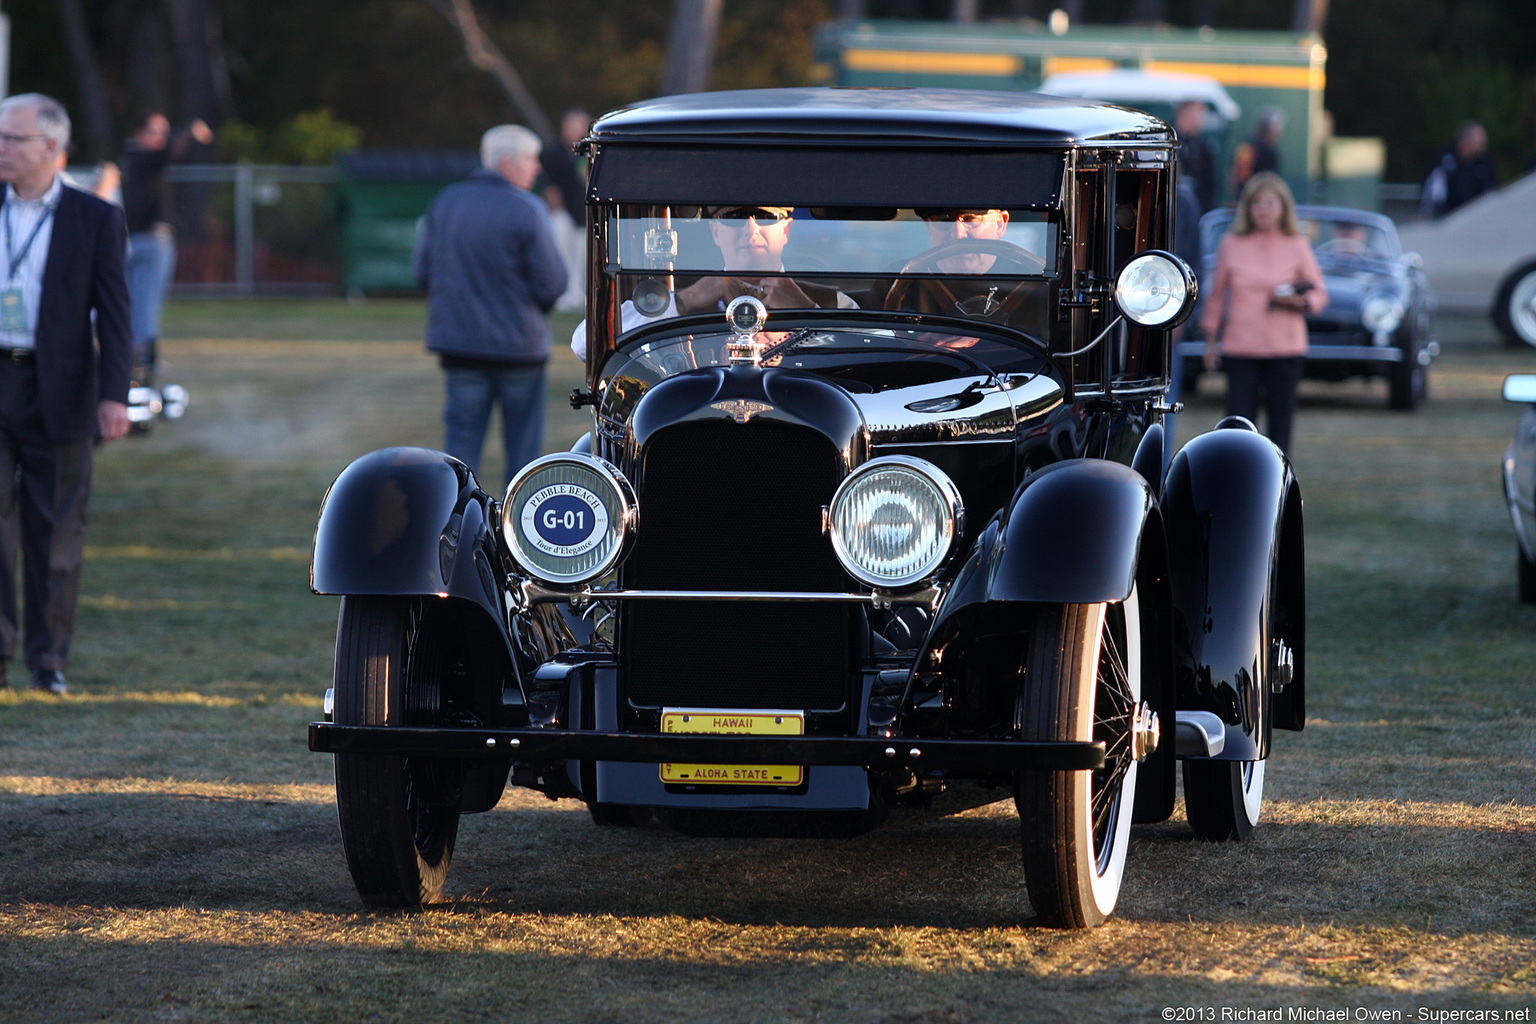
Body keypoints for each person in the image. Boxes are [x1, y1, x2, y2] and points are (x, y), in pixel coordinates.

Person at [0, 93, 133, 695]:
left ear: (51, 147)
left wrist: (114, 394)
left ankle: (48, 661)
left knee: (55, 532)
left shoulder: (94, 217)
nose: (0, 148)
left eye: (12, 138)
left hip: (60, 389)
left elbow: (116, 312)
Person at [413, 124, 567, 492]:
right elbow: (553, 283)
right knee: (523, 455)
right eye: (532, 159)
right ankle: (519, 538)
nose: (537, 169)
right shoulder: (528, 208)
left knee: (460, 452)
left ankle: (456, 533)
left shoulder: (446, 202)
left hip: (460, 347)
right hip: (518, 348)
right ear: (509, 163)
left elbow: (422, 272)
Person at [570, 205, 857, 361]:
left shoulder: (831, 302)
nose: (750, 229)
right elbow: (585, 345)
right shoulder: (683, 302)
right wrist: (686, 300)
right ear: (715, 231)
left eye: (766, 217)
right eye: (734, 218)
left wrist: (807, 311)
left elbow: (871, 357)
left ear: (787, 229)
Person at [1199, 171, 1327, 457]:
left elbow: (1319, 294)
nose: (1264, 210)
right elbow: (1216, 296)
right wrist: (1210, 342)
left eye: (1271, 203)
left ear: (1283, 207)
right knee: (1239, 424)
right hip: (1241, 347)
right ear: (1247, 208)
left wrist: (1299, 302)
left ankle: (1279, 485)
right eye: (1257, 203)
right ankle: (1240, 479)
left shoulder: (1296, 243)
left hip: (1285, 348)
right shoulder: (1231, 243)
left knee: (1281, 424)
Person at [119, 111, 213, 377]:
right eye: (157, 132)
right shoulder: (141, 156)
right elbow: (171, 150)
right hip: (149, 242)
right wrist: (191, 129)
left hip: (134, 240)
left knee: (135, 301)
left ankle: (134, 356)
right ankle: (143, 358)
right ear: (140, 134)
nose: (162, 139)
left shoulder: (131, 159)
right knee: (146, 303)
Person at [541, 109, 590, 312]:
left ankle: (578, 294)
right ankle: (563, 294)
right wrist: (557, 210)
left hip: (582, 213)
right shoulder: (554, 151)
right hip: (563, 212)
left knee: (581, 256)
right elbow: (550, 184)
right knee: (562, 254)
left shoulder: (587, 150)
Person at [1420, 120, 1498, 219]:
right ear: (1465, 140)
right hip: (1447, 219)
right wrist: (1425, 214)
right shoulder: (1444, 158)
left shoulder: (1485, 162)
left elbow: (1491, 192)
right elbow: (1432, 190)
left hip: (1476, 218)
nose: (1483, 144)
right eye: (1479, 141)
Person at [1229, 106, 1285, 199]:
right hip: (1258, 200)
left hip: (1242, 197)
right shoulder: (1268, 152)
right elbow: (1272, 182)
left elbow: (1232, 176)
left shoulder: (1244, 146)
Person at [1175, 100, 1219, 214]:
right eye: (1193, 115)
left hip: (1199, 206)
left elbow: (1210, 181)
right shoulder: (1171, 142)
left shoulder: (1203, 146)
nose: (1197, 121)